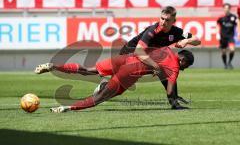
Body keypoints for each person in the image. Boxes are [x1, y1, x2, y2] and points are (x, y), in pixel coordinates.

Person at [94, 6, 201, 106]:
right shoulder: (153, 30)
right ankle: (101, 87)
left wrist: (187, 41)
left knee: (167, 71)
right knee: (117, 86)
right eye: (162, 18)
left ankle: (174, 99)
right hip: (130, 53)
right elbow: (139, 51)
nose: (163, 22)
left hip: (146, 58)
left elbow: (197, 40)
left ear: (173, 21)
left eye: (167, 20)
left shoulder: (177, 32)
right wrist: (155, 66)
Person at [35, 47, 195, 113]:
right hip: (131, 71)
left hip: (124, 59)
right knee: (101, 97)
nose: (184, 68)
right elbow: (169, 86)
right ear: (182, 59)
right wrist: (174, 104)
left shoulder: (165, 49)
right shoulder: (174, 66)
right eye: (186, 65)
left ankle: (53, 66)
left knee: (88, 70)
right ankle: (67, 108)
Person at [217, 3, 238, 69]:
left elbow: (238, 23)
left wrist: (238, 33)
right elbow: (217, 25)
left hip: (230, 37)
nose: (226, 9)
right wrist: (217, 33)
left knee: (232, 50)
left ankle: (229, 62)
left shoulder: (233, 17)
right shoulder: (221, 18)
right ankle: (225, 64)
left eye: (227, 8)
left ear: (229, 9)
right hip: (223, 37)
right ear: (223, 9)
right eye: (225, 8)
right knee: (223, 52)